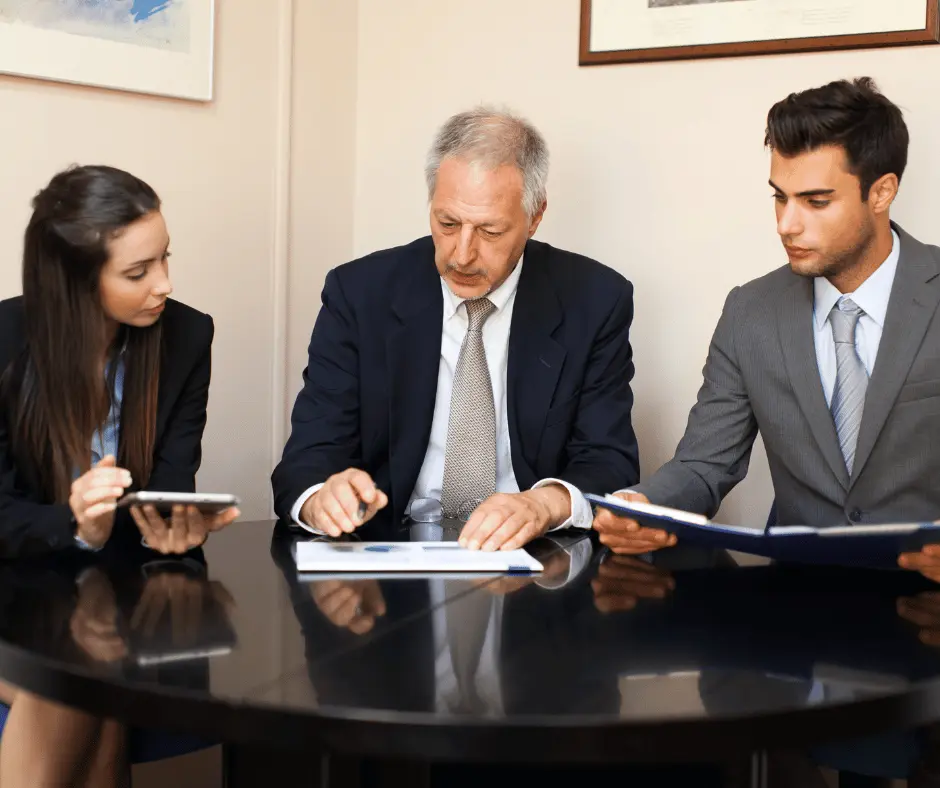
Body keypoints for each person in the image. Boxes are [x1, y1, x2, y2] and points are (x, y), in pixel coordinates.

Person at [592, 77, 940, 787]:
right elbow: (703, 465)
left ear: (882, 192)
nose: (787, 223)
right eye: (779, 197)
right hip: (798, 613)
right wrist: (646, 507)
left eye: (815, 201)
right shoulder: (750, 312)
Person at [272, 106, 639, 549]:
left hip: (531, 556)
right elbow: (309, 457)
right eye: (447, 224)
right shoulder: (360, 293)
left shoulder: (594, 300)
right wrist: (319, 499)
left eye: (489, 231)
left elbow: (609, 461)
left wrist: (544, 504)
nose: (461, 255)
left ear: (535, 216)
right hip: (388, 556)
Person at [0, 164, 239, 787]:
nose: (164, 283)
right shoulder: (3, 342)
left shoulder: (187, 335)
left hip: (110, 592)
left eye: (164, 258)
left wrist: (178, 529)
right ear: (75, 283)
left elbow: (171, 483)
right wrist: (77, 524)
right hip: (12, 585)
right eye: (138, 272)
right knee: (79, 676)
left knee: (90, 667)